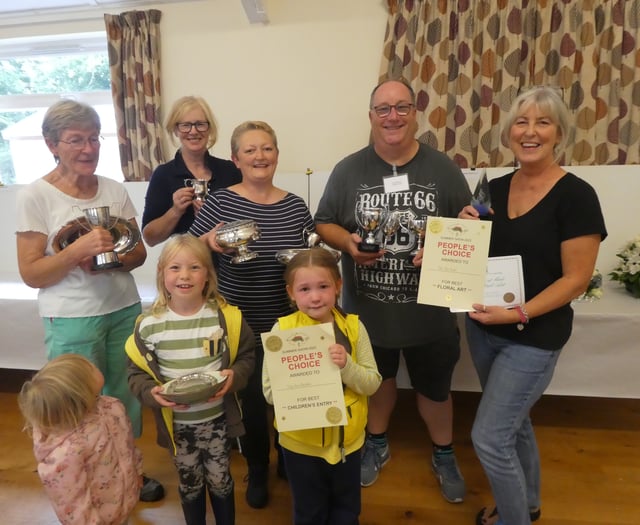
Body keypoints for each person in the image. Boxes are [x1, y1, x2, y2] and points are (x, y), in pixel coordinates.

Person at [314, 78, 470, 503]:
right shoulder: (349, 170)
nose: (393, 116)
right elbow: (324, 221)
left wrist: (445, 248)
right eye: (383, 109)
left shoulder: (443, 170)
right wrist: (346, 242)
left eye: (402, 107)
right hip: (369, 315)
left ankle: (444, 452)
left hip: (431, 313)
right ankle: (376, 444)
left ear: (416, 114)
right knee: (375, 384)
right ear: (371, 117)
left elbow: (469, 227)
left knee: (435, 390)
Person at [460, 86, 606, 525]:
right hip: (485, 329)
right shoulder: (493, 187)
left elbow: (576, 279)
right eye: (521, 122)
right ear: (508, 133)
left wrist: (518, 313)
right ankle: (530, 502)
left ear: (560, 132)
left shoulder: (576, 195)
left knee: (488, 437)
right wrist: (458, 236)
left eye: (542, 122)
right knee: (514, 423)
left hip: (533, 336)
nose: (530, 131)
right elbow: (471, 253)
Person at [15, 99, 164, 502]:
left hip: (122, 308)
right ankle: (82, 485)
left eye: (94, 138)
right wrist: (76, 251)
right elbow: (31, 273)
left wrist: (110, 258)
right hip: (70, 317)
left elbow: (137, 254)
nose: (88, 148)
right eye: (75, 140)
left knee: (124, 398)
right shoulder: (35, 196)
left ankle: (129, 471)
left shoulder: (114, 189)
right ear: (52, 144)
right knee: (75, 404)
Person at [189, 120, 315, 508]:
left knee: (292, 398)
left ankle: (289, 460)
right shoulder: (222, 202)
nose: (260, 156)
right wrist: (209, 242)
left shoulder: (295, 205)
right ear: (236, 159)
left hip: (290, 323)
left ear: (277, 155)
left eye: (267, 149)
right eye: (250, 150)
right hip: (241, 326)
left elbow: (311, 255)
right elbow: (189, 252)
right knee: (254, 404)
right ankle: (258, 467)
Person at [126, 233, 255, 525]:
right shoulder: (148, 326)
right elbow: (135, 374)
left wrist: (235, 376)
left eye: (194, 267)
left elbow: (247, 357)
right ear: (162, 275)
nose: (184, 275)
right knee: (190, 484)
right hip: (178, 427)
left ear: (208, 275)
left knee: (221, 481)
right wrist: (151, 393)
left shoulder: (226, 319)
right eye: (175, 268)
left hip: (218, 422)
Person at [262, 247, 381, 525]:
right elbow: (269, 393)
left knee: (347, 511)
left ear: (338, 286)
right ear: (291, 292)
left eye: (323, 286)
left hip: (348, 444)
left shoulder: (354, 328)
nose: (315, 296)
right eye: (304, 289)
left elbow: (373, 383)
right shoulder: (282, 332)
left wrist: (347, 366)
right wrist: (298, 380)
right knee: (308, 512)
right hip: (300, 444)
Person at [18, 353, 143, 525]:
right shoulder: (66, 450)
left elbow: (127, 446)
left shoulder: (112, 407)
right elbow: (70, 500)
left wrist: (137, 472)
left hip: (124, 501)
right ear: (80, 394)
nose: (94, 365)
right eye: (90, 368)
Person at [141, 95, 241, 246]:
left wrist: (214, 215)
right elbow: (150, 238)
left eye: (200, 124)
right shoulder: (164, 174)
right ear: (175, 129)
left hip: (227, 264)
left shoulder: (230, 171)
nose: (193, 131)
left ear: (209, 128)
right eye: (185, 125)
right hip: (186, 264)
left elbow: (246, 219)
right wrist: (175, 211)